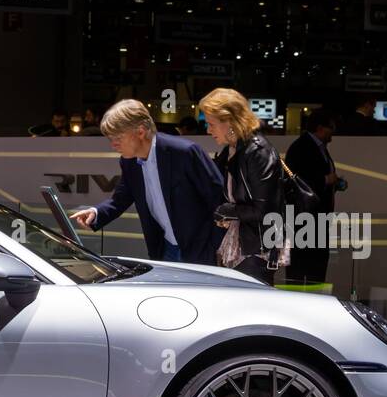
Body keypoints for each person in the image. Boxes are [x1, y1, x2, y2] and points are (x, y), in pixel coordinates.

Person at [68, 99, 226, 266]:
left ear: (141, 131)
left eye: (117, 137)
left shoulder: (184, 152)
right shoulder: (129, 162)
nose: (113, 144)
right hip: (165, 249)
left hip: (201, 251)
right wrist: (96, 212)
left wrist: (214, 246)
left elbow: (219, 199)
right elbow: (120, 198)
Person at [201, 87, 289, 285]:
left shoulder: (257, 151)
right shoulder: (234, 150)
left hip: (257, 249)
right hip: (243, 244)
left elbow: (264, 211)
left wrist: (226, 211)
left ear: (230, 121)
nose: (208, 130)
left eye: (211, 124)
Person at [283, 109, 342, 285]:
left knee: (315, 267)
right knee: (302, 269)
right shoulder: (302, 147)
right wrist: (325, 179)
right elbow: (295, 180)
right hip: (304, 220)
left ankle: (312, 302)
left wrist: (332, 184)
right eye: (331, 128)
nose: (333, 132)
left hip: (315, 219)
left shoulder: (316, 147)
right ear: (320, 128)